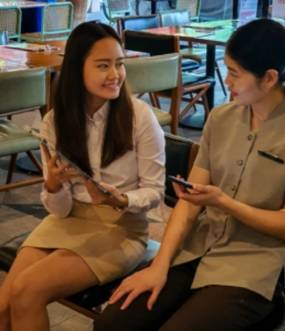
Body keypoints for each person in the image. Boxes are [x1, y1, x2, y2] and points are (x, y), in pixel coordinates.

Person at [93, 19, 285, 331]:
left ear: (270, 78)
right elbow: (189, 203)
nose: (227, 81)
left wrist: (225, 202)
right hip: (194, 253)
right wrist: (159, 266)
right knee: (113, 323)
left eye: (234, 73)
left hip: (251, 272)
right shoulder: (221, 118)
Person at [0, 21, 165, 331]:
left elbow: (156, 191)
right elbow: (60, 210)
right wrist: (52, 185)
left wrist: (122, 198)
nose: (115, 74)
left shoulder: (140, 117)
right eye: (103, 65)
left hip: (122, 229)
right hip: (69, 220)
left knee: (28, 291)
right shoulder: (56, 121)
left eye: (119, 64)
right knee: (4, 303)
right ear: (77, 69)